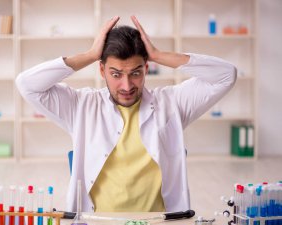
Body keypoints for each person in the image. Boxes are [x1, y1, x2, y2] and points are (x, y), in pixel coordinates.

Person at [16, 16, 237, 212]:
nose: (127, 85)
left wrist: (159, 55)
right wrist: (91, 54)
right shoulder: (81, 106)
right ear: (101, 70)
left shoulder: (171, 103)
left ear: (146, 69)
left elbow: (226, 75)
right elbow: (27, 84)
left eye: (135, 73)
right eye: (116, 74)